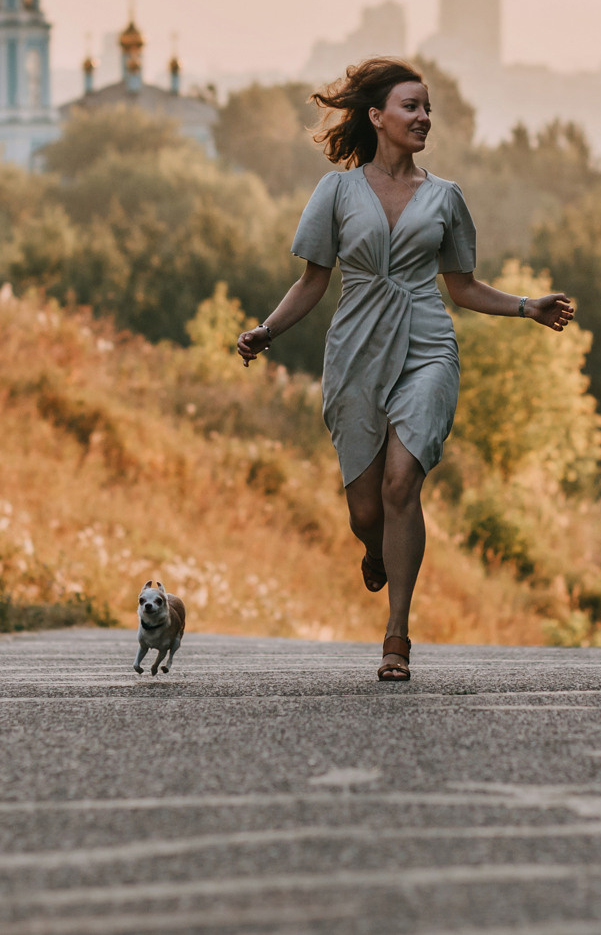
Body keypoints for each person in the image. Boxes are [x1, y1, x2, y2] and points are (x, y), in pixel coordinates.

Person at [236, 58, 574, 681]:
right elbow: (313, 280)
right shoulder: (336, 192)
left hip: (426, 344)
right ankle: (374, 548)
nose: (424, 119)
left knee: (401, 483)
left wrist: (527, 307)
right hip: (356, 349)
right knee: (367, 510)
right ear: (376, 117)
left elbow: (463, 287)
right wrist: (267, 329)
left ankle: (397, 637)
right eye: (411, 107)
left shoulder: (446, 198)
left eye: (427, 109)